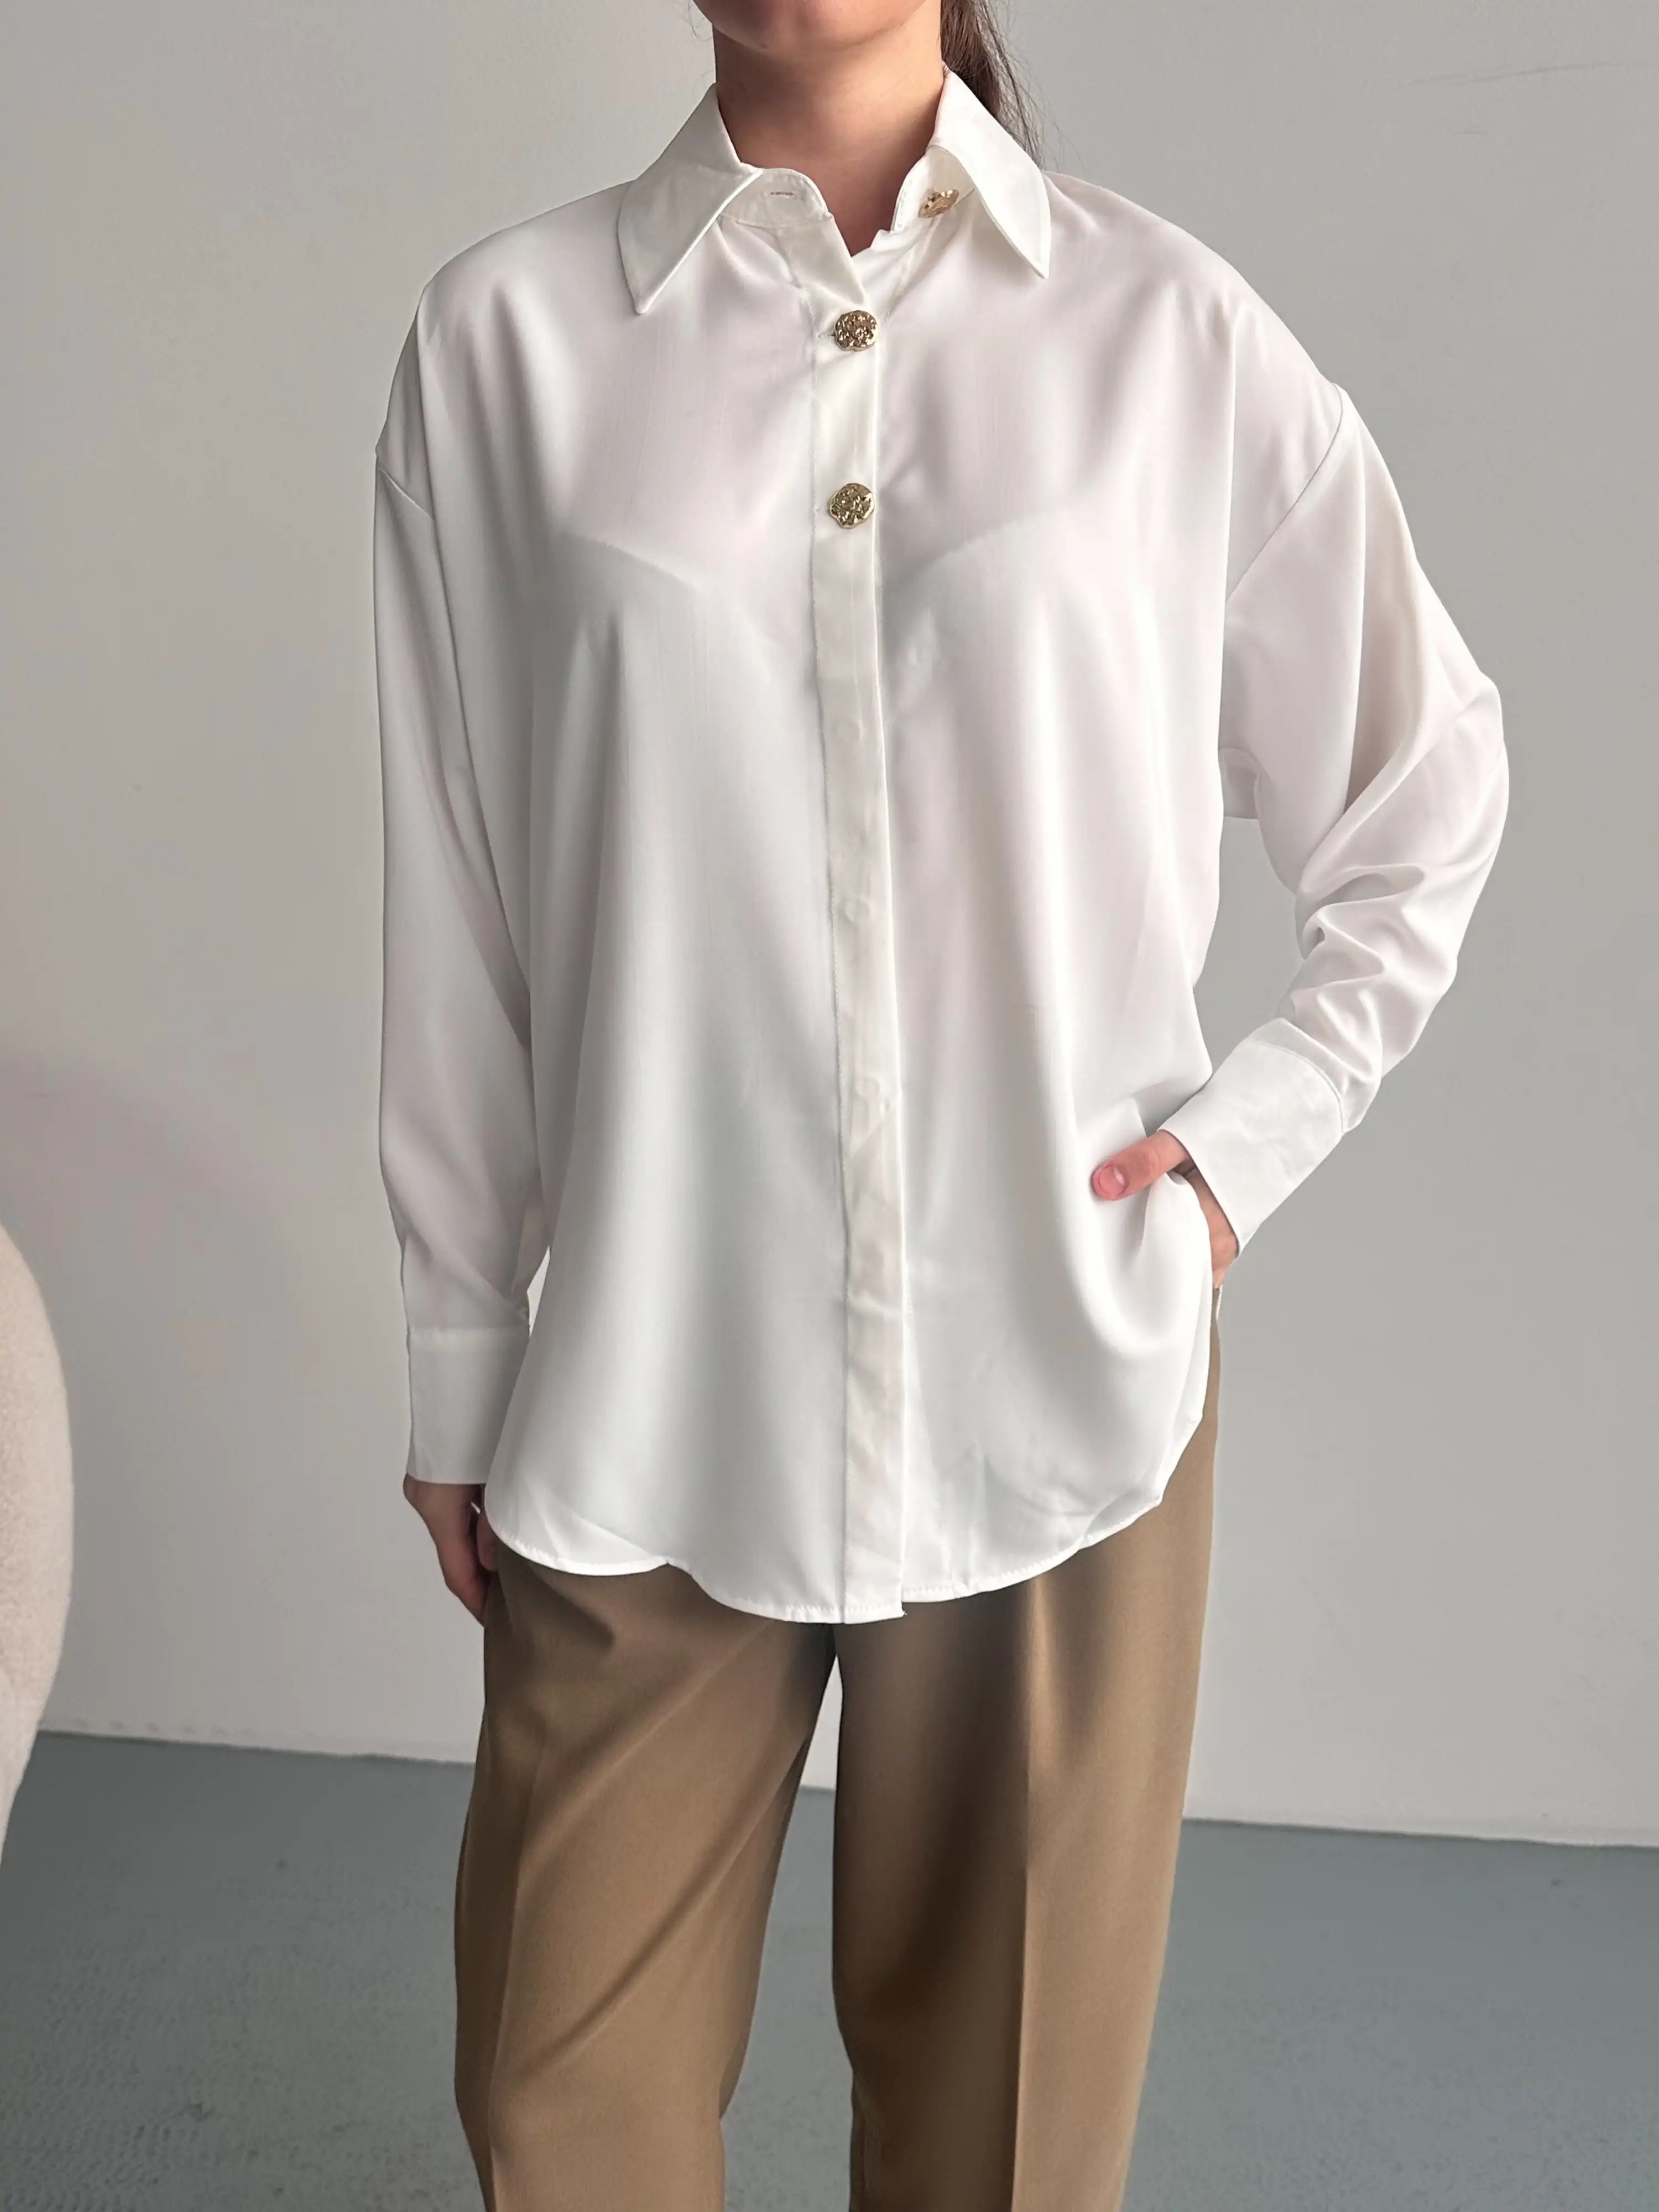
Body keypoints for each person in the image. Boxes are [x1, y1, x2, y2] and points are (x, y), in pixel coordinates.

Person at [371, 4, 1509, 2206]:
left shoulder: (1166, 333)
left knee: (1002, 2147)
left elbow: (1423, 786)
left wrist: (1235, 1161)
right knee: (555, 2098)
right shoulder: (503, 347)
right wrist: (459, 1348)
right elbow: (460, 889)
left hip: (1050, 1378)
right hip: (653, 1369)